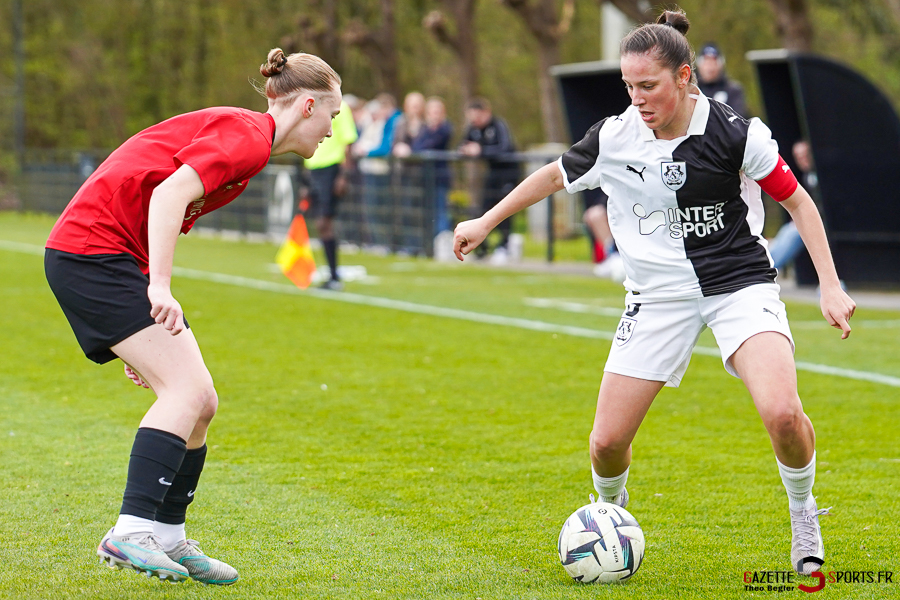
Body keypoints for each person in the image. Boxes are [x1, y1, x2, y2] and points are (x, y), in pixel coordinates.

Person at [453, 8, 855, 576]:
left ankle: (803, 510)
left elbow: (799, 203)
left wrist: (831, 286)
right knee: (605, 444)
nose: (636, 98)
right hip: (656, 296)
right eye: (629, 86)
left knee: (783, 413)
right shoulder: (614, 137)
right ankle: (609, 523)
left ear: (685, 78)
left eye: (648, 86)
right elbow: (551, 177)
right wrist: (484, 222)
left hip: (738, 284)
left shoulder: (736, 133)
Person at [44, 48, 342, 585]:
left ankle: (169, 536)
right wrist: (158, 286)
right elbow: (168, 195)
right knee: (184, 392)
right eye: (332, 117)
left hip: (104, 258)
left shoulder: (249, 141)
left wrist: (139, 336)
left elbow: (157, 195)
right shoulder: (249, 137)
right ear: (306, 106)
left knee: (200, 401)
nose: (330, 131)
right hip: (93, 254)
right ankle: (131, 531)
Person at [303, 98, 358, 291]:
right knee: (320, 223)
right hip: (314, 170)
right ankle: (332, 275)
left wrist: (344, 175)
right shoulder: (312, 106)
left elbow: (348, 141)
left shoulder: (341, 108)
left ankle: (334, 276)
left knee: (325, 222)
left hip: (331, 169)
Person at [459, 97, 519, 262]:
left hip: (508, 172)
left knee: (505, 209)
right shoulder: (474, 128)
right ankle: (482, 247)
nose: (475, 122)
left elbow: (505, 148)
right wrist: (466, 150)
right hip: (492, 172)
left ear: (486, 113)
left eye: (477, 118)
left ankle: (504, 246)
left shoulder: (498, 125)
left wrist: (481, 151)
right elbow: (461, 144)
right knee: (485, 207)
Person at [769, 140, 819, 271]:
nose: (802, 160)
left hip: (817, 221)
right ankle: (766, 265)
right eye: (798, 157)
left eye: (805, 155)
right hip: (802, 221)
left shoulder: (820, 176)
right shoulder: (805, 177)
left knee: (792, 232)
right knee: (786, 231)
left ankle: (768, 268)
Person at [410, 97, 453, 235]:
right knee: (428, 211)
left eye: (437, 112)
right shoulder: (425, 129)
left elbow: (431, 145)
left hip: (440, 177)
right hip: (426, 178)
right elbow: (416, 147)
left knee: (441, 210)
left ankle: (442, 239)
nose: (434, 115)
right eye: (432, 112)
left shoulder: (445, 129)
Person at [697, 42, 748, 118]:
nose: (709, 68)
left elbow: (738, 118)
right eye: (706, 63)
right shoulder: (693, 90)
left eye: (713, 63)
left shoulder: (733, 91)